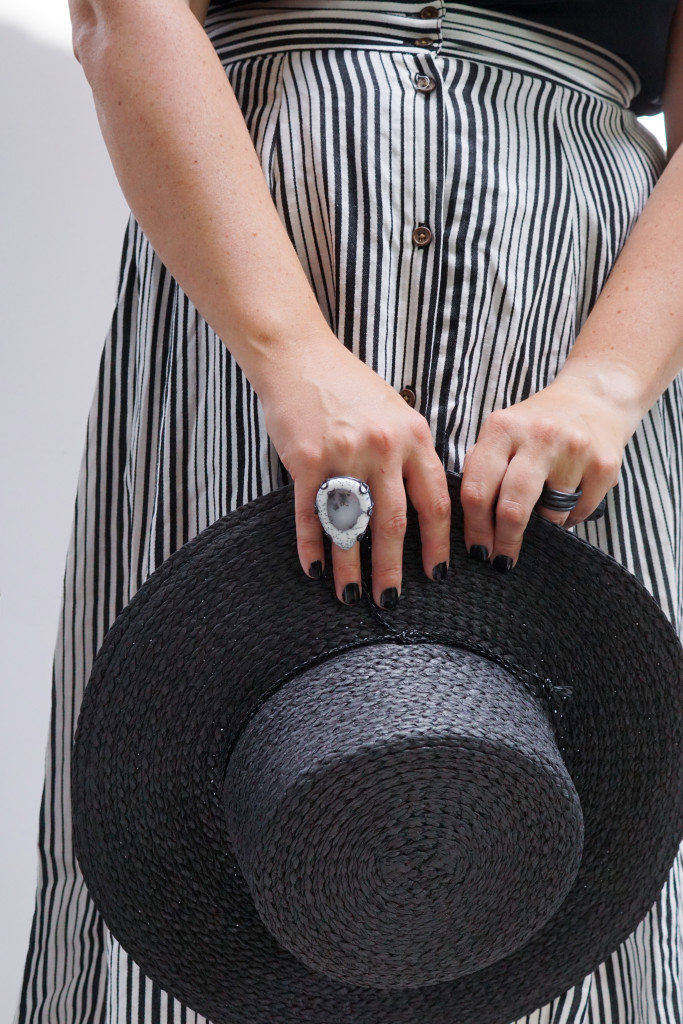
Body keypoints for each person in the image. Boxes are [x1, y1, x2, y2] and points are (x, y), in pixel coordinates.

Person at [14, 0, 683, 1021]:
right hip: (248, 244)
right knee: (201, 821)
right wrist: (286, 352)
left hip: (577, 294)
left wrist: (606, 381)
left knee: (550, 862)